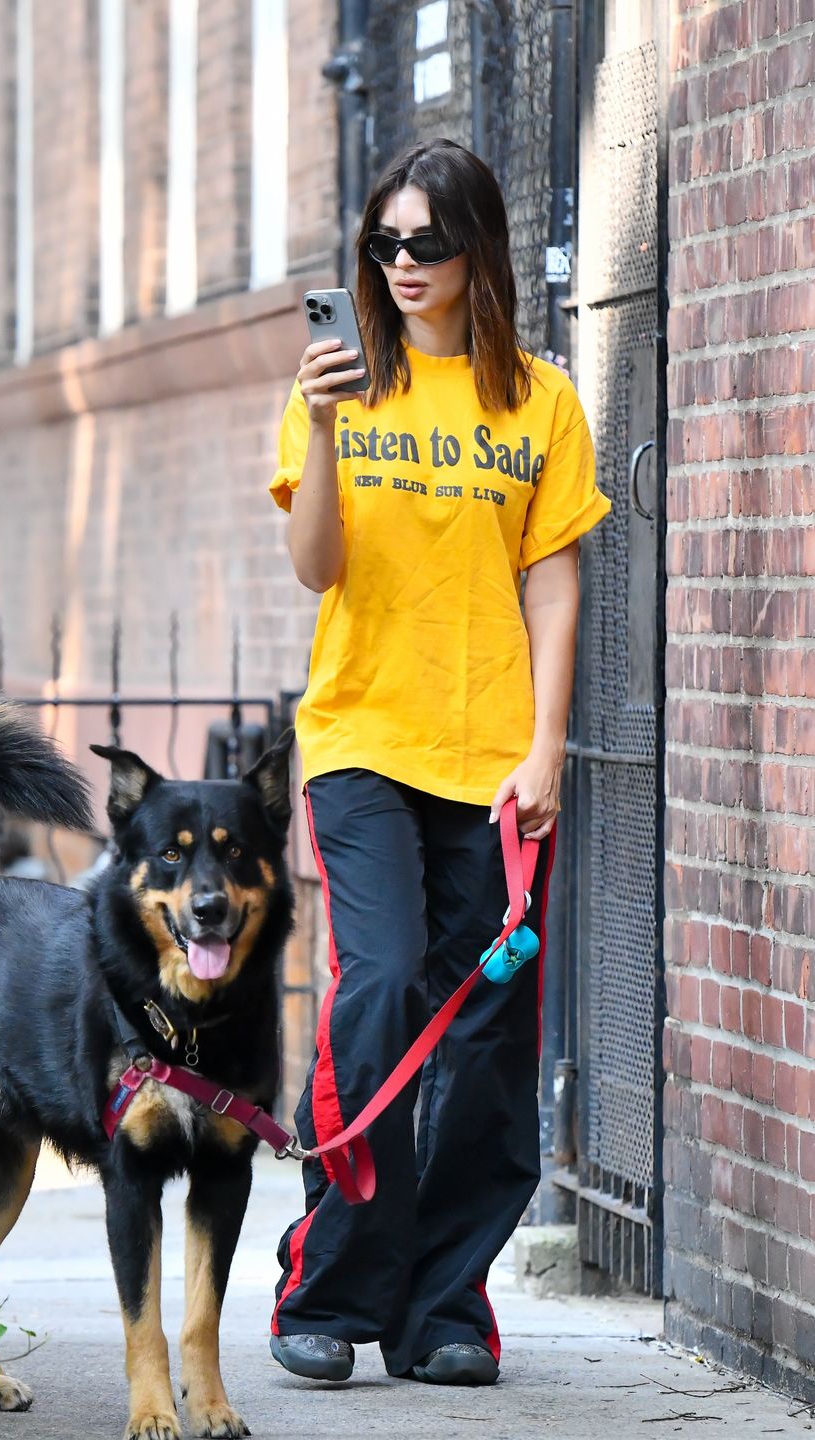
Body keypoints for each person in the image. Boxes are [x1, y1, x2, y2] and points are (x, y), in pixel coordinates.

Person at [266, 138, 611, 1387]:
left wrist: (546, 748)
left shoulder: (542, 404)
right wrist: (315, 420)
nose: (403, 266)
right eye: (386, 244)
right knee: (386, 981)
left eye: (428, 243)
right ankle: (332, 1282)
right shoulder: (344, 385)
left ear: (479, 251)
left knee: (484, 1032)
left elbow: (554, 587)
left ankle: (447, 1308)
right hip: (362, 738)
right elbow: (315, 568)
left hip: (494, 759)